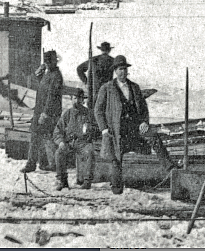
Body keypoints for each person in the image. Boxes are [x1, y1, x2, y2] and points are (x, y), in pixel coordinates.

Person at [93, 55, 151, 195]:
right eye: (120, 69)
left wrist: (144, 122)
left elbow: (143, 109)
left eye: (124, 69)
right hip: (115, 130)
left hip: (132, 130)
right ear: (115, 71)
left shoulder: (134, 87)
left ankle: (137, 184)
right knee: (115, 160)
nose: (122, 72)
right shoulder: (106, 88)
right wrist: (104, 129)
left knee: (141, 152)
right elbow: (98, 110)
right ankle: (117, 190)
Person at [21, 50, 63, 173]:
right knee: (41, 136)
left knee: (38, 136)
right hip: (41, 110)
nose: (48, 64)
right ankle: (44, 163)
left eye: (50, 61)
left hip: (48, 112)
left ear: (54, 62)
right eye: (47, 62)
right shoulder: (48, 73)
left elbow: (51, 96)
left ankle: (33, 163)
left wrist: (45, 113)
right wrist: (39, 72)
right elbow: (41, 85)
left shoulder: (56, 76)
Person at [53, 88, 98, 190]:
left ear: (83, 100)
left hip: (83, 143)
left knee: (89, 151)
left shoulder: (89, 114)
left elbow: (97, 129)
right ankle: (62, 180)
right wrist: (60, 142)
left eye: (79, 98)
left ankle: (87, 181)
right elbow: (57, 131)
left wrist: (90, 129)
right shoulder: (67, 114)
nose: (76, 101)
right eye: (74, 98)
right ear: (71, 99)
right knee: (59, 153)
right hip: (69, 142)